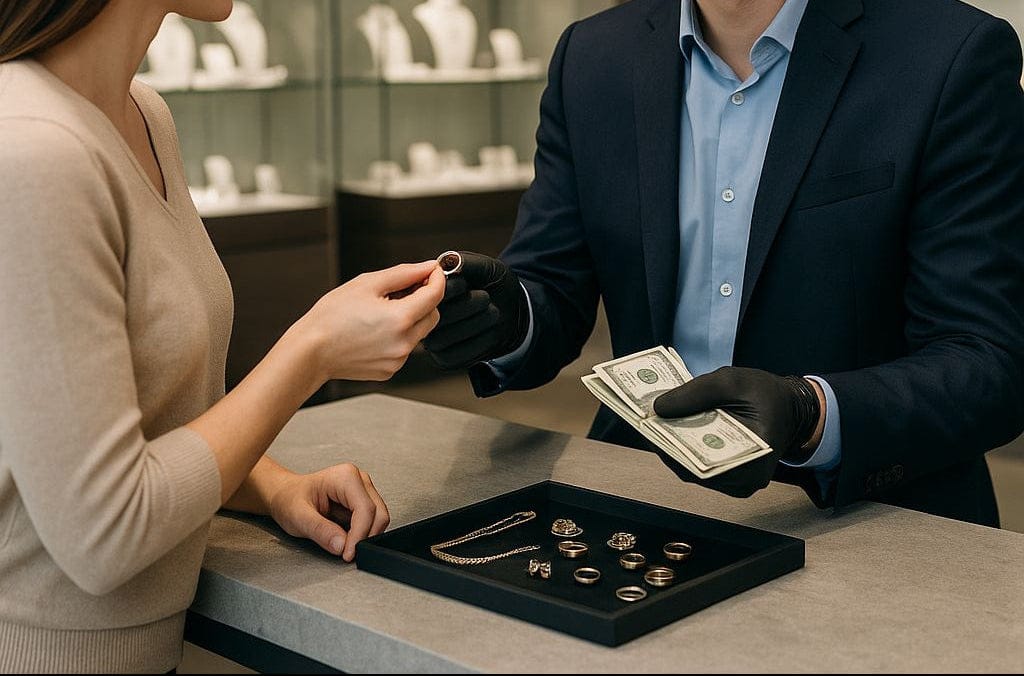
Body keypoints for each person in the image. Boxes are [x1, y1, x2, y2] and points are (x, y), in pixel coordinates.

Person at [423, 0, 1024, 525]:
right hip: (640, 496)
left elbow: (988, 362)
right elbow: (551, 284)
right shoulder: (593, 55)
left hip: (872, 522)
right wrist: (506, 319)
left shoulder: (952, 54)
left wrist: (809, 415)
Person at [0, 1, 444, 672]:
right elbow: (104, 535)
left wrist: (270, 486)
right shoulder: (34, 151)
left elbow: (140, 423)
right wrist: (313, 349)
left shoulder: (143, 114)